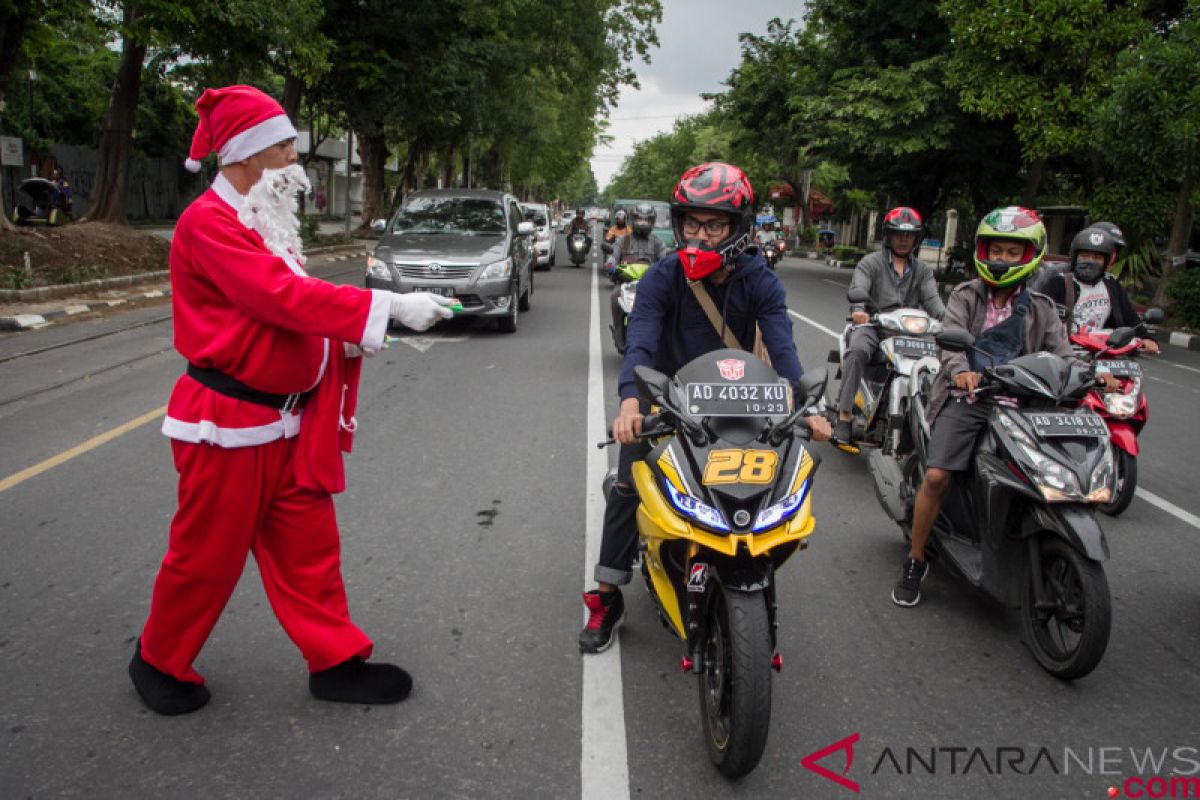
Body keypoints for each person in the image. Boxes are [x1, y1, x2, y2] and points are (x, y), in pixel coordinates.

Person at [129, 85, 456, 715]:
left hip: (286, 420)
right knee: (205, 558)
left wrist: (348, 346)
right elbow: (282, 298)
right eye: (284, 148)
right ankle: (158, 658)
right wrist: (386, 308)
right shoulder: (209, 224)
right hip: (228, 423)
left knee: (309, 551)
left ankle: (334, 660)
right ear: (247, 155)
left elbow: (286, 318)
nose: (293, 163)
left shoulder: (262, 221)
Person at [579, 162, 831, 653]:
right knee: (630, 485)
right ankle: (608, 596)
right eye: (691, 223)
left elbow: (784, 352)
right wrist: (632, 403)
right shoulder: (662, 277)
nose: (701, 235)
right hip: (670, 408)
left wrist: (807, 406)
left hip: (746, 405)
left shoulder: (762, 281)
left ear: (737, 228)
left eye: (714, 225)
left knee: (771, 488)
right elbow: (641, 345)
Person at [892, 206, 1120, 607]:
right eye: (996, 250)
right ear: (984, 251)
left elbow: (1063, 354)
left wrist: (1092, 373)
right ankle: (915, 559)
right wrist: (962, 371)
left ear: (1028, 257)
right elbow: (950, 341)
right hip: (970, 399)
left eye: (1012, 253)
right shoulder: (966, 295)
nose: (1002, 260)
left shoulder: (1042, 308)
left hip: (1025, 407)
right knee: (938, 477)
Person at [833, 206, 945, 449]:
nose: (904, 240)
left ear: (916, 238)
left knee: (939, 363)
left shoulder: (924, 271)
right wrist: (859, 311)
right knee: (858, 350)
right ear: (888, 235)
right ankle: (844, 414)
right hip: (876, 325)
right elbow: (859, 289)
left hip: (911, 332)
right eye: (898, 234)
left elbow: (934, 302)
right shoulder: (870, 263)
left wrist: (950, 322)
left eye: (909, 235)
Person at [1041, 226, 1160, 354]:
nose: (1090, 261)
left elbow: (1130, 319)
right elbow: (1040, 319)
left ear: (1106, 261)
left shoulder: (1112, 286)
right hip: (1063, 352)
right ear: (1075, 257)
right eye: (1085, 256)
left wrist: (1147, 338)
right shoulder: (1057, 283)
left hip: (1102, 352)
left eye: (1097, 258)